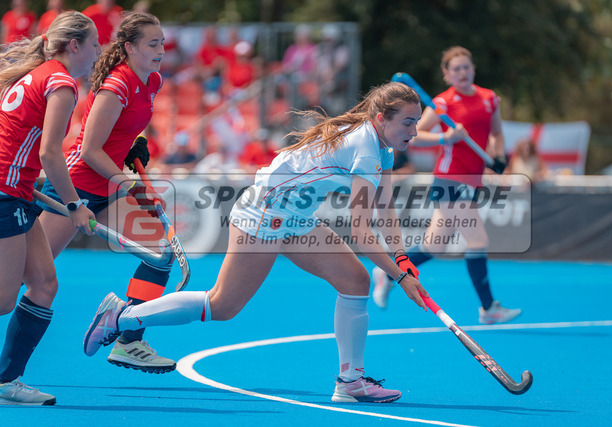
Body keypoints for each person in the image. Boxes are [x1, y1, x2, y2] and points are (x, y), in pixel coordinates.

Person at [83, 81, 430, 403]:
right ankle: (121, 317)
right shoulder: (366, 149)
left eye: (416, 123)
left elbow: (384, 208)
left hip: (296, 217)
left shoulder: (381, 147)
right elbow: (361, 230)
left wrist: (401, 260)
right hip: (266, 212)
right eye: (408, 123)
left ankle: (350, 381)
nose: (414, 132)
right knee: (222, 306)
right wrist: (400, 277)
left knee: (355, 280)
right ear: (381, 118)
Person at [37, 12, 176, 374]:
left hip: (108, 185)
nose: (161, 49)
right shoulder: (118, 84)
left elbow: (123, 129)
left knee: (159, 255)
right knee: (26, 272)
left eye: (162, 42)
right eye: (153, 44)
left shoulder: (152, 80)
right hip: (77, 185)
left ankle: (128, 338)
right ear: (129, 48)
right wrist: (130, 183)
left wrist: (135, 145)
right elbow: (89, 150)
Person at [372, 46, 521, 324]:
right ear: (447, 74)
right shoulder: (443, 103)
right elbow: (415, 135)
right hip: (450, 178)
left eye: (466, 67)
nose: (462, 73)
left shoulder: (490, 99)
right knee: (478, 241)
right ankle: (488, 308)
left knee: (435, 245)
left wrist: (498, 157)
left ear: (473, 69)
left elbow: (497, 134)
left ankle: (387, 272)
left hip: (472, 179)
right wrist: (446, 138)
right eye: (456, 69)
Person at [0, 11, 99, 405]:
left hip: (17, 191)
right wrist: (74, 205)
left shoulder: (34, 75)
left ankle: (6, 381)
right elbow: (50, 154)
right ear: (74, 45)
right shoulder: (60, 83)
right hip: (5, 193)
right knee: (3, 300)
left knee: (43, 284)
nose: (98, 51)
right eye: (94, 43)